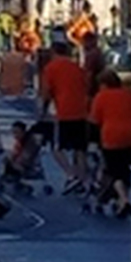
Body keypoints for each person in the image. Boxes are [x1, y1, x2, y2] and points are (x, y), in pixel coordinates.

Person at [89, 68, 131, 216]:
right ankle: (119, 202)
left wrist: (92, 141)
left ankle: (124, 199)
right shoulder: (129, 95)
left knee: (113, 171)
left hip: (112, 137)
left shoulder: (101, 97)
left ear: (103, 84)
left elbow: (94, 120)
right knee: (125, 169)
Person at [40, 40, 89, 193]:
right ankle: (81, 179)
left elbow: (47, 92)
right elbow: (85, 86)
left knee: (56, 147)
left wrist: (43, 110)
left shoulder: (51, 68)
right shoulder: (77, 67)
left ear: (53, 52)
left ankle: (71, 174)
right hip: (82, 111)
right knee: (80, 148)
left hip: (64, 112)